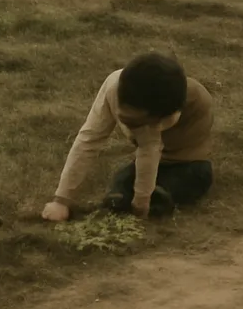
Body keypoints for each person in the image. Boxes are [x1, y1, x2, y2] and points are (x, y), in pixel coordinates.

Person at [41, 52, 214, 222]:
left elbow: (149, 150)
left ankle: (160, 196)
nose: (130, 125)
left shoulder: (186, 106)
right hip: (156, 148)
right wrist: (61, 200)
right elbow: (88, 140)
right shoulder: (113, 88)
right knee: (123, 183)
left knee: (195, 176)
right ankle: (123, 198)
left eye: (138, 122)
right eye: (126, 119)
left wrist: (142, 203)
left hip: (187, 161)